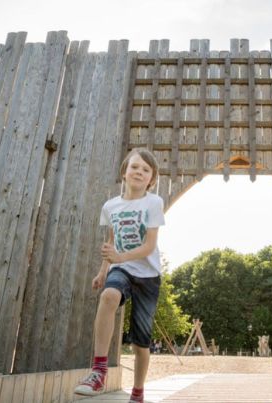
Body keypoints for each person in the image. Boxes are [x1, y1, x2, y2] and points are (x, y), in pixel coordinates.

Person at [74, 148, 165, 403]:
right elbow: (111, 242)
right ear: (124, 172)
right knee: (108, 296)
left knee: (140, 344)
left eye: (146, 170)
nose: (139, 172)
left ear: (152, 180)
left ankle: (137, 392)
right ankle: (99, 370)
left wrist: (119, 257)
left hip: (148, 276)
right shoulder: (110, 206)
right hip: (121, 269)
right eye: (135, 167)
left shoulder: (153, 203)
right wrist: (103, 271)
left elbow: (148, 246)